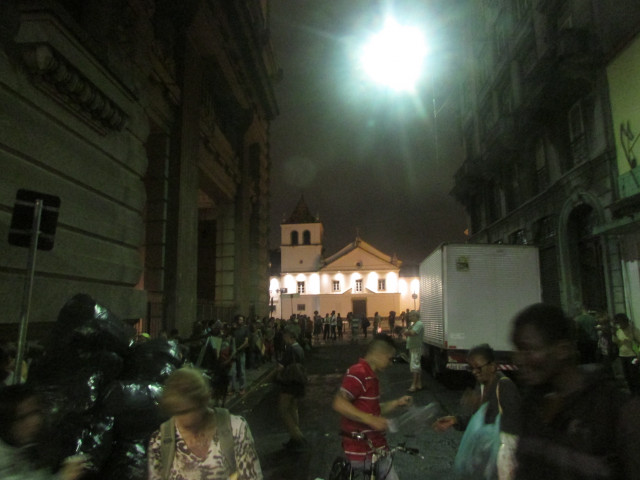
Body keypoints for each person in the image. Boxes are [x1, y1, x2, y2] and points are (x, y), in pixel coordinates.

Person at [510, 303, 640, 479]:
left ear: (562, 350)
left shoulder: (616, 410)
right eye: (517, 349)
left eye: (528, 350)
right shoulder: (532, 405)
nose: (518, 359)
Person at [147, 367, 263, 479]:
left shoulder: (235, 428)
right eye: (178, 412)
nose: (184, 419)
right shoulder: (161, 441)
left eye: (189, 410)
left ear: (203, 401)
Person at [433, 344, 521, 479]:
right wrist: (456, 420)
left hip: (502, 460)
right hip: (486, 457)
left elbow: (516, 425)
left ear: (492, 366)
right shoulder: (481, 386)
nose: (474, 372)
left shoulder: (505, 386)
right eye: (471, 368)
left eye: (478, 368)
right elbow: (478, 421)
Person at [332, 334, 413, 480]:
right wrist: (370, 420)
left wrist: (396, 403)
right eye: (390, 358)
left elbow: (371, 410)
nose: (390, 364)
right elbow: (339, 402)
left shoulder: (372, 376)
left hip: (377, 451)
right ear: (379, 354)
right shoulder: (358, 372)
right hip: (360, 452)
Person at [0, 384, 87, 480]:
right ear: (7, 423)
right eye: (23, 417)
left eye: (36, 412)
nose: (36, 421)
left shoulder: (30, 447)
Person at [277, 329, 308, 451]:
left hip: (289, 382)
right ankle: (294, 437)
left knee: (284, 410)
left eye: (285, 337)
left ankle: (297, 436)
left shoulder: (290, 349)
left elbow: (281, 366)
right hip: (299, 382)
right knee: (293, 408)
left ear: (290, 337)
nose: (284, 340)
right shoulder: (300, 348)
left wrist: (278, 374)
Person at [612, 312, 640, 395]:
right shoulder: (618, 331)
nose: (619, 325)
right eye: (618, 323)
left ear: (625, 321)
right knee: (627, 374)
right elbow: (615, 341)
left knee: (634, 374)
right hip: (623, 356)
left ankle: (637, 391)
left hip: (633, 356)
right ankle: (632, 391)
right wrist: (614, 335)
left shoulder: (633, 330)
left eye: (620, 322)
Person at [403, 313, 424, 393]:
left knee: (414, 366)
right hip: (413, 347)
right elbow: (408, 333)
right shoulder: (413, 324)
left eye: (411, 316)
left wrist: (406, 331)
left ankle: (414, 385)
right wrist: (407, 332)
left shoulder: (419, 324)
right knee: (415, 365)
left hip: (416, 347)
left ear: (416, 316)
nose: (410, 317)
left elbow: (412, 333)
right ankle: (418, 384)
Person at [229, 315, 249, 396]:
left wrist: (238, 349)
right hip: (234, 353)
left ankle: (242, 388)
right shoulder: (234, 330)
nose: (240, 321)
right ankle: (232, 388)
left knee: (241, 371)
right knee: (232, 372)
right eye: (239, 319)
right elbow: (231, 340)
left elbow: (246, 342)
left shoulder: (245, 330)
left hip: (241, 353)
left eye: (241, 319)